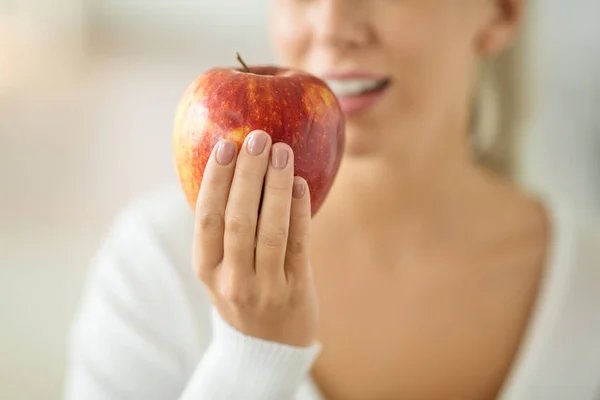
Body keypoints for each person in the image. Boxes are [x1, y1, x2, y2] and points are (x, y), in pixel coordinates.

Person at [63, 0, 600, 399]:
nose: (331, 25)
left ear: (502, 12)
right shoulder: (153, 269)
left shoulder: (587, 292)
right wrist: (250, 358)